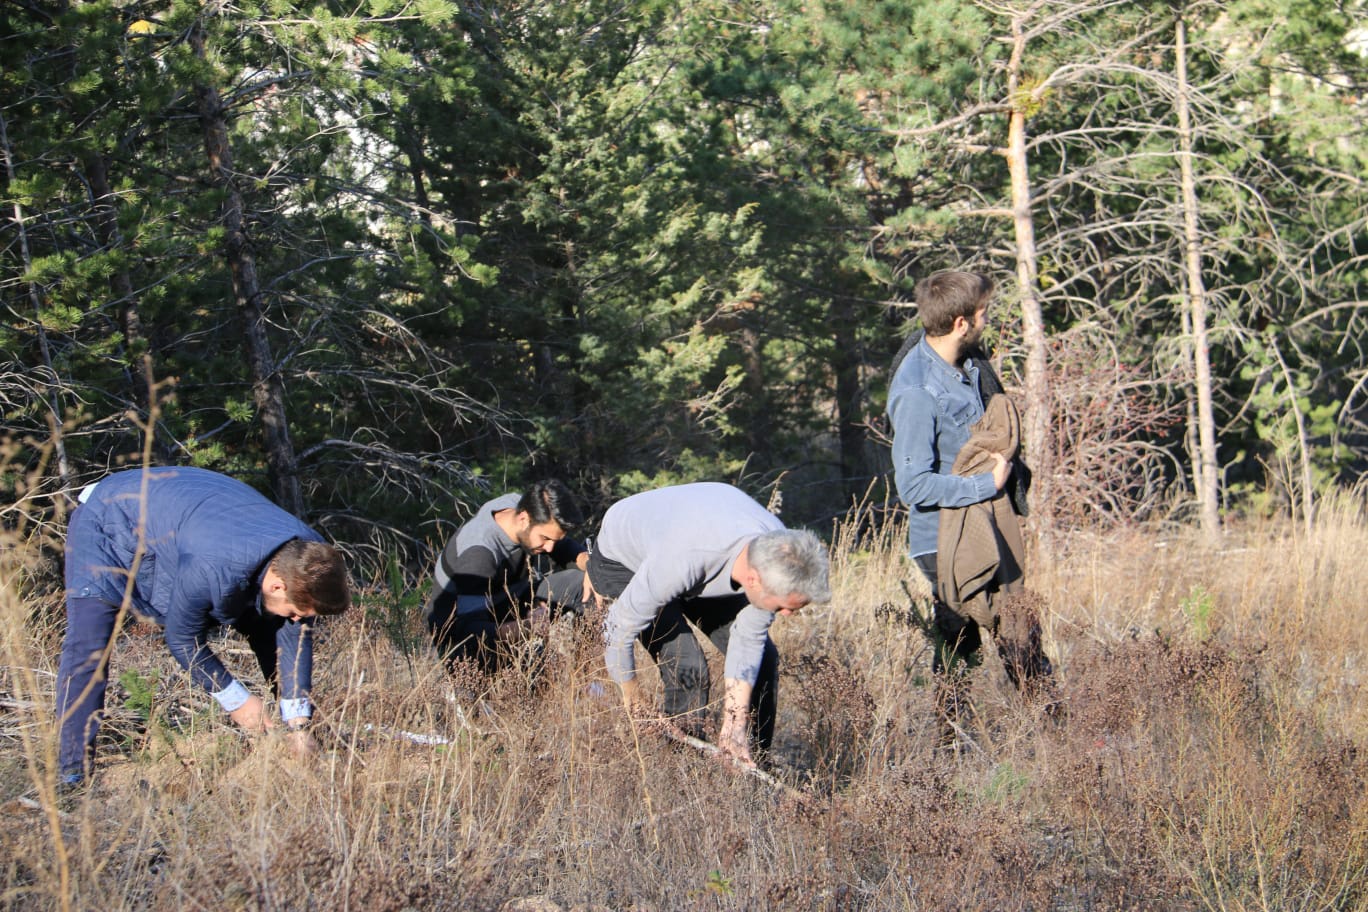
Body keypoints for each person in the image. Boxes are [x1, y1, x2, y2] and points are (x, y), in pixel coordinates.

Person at [56, 466, 351, 785]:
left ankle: (304, 741)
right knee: (89, 643)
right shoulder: (212, 568)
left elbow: (292, 639)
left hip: (192, 520)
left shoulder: (309, 557)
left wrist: (299, 723)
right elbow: (183, 638)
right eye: (297, 611)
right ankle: (74, 771)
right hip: (110, 518)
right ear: (278, 585)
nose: (298, 619)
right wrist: (238, 701)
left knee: (273, 625)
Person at [887, 270, 1050, 698]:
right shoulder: (918, 391)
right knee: (976, 643)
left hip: (982, 524)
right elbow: (913, 486)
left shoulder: (968, 364)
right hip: (945, 539)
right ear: (961, 323)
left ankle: (1041, 721)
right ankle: (1041, 720)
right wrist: (985, 484)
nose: (986, 320)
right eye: (983, 313)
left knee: (1011, 632)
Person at [588, 482, 831, 767]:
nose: (787, 615)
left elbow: (748, 641)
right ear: (754, 580)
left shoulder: (777, 551)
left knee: (764, 659)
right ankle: (682, 771)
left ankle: (749, 764)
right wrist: (634, 701)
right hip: (625, 559)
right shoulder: (684, 558)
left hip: (695, 549)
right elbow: (617, 629)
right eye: (783, 607)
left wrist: (735, 724)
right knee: (687, 665)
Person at [424, 480, 590, 674]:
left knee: (587, 584)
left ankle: (592, 679)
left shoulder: (520, 508)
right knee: (536, 676)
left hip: (506, 601)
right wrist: (527, 627)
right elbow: (471, 631)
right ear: (523, 519)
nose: (550, 547)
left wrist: (592, 568)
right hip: (463, 642)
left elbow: (564, 548)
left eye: (554, 540)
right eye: (545, 539)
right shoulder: (479, 554)